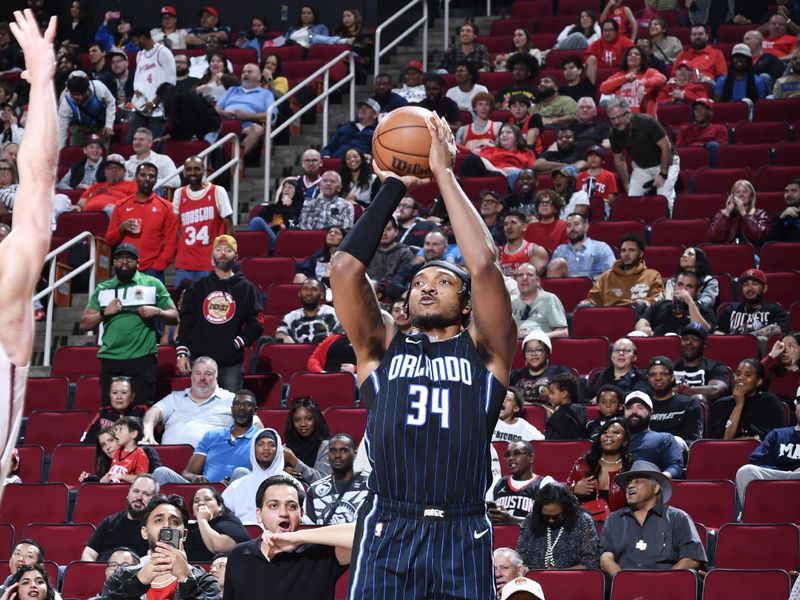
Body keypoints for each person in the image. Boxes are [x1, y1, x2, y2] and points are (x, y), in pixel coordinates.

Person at [329, 112, 516, 598]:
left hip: (463, 528)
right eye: (418, 283)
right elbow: (345, 269)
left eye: (443, 282)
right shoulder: (383, 345)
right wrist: (393, 187)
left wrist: (443, 174)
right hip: (390, 522)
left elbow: (485, 264)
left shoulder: (486, 351)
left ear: (468, 303)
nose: (427, 287)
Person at [222, 474, 352, 599]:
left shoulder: (320, 553)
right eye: (274, 506)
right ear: (259, 514)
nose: (283, 513)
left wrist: (298, 537)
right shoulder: (239, 555)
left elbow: (366, 534)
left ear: (301, 513)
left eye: (292, 506)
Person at [79, 244, 178, 406]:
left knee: (140, 412)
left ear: (138, 263)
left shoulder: (152, 284)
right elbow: (84, 324)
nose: (125, 261)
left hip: (142, 360)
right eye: (120, 257)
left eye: (130, 258)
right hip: (110, 359)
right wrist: (104, 313)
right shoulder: (102, 289)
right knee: (110, 413)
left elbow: (174, 316)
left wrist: (158, 312)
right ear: (114, 262)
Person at [176, 235, 263, 392]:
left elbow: (257, 322)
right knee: (200, 408)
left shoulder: (246, 288)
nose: (223, 253)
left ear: (236, 257)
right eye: (218, 250)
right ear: (211, 257)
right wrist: (182, 352)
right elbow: (186, 320)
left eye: (228, 250)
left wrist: (239, 341)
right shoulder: (197, 287)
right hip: (200, 360)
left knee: (229, 410)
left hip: (231, 363)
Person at [98, 494, 221, 599]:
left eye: (175, 522)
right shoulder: (121, 577)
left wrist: (186, 579)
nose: (166, 526)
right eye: (158, 520)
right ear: (144, 532)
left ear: (184, 534)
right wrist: (138, 583)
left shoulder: (205, 582)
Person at [599, 460, 706, 574]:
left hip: (667, 587)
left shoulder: (678, 518)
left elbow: (692, 558)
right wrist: (624, 581)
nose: (630, 485)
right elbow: (605, 558)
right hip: (624, 587)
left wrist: (660, 581)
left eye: (638, 481)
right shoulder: (614, 519)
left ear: (655, 488)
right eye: (629, 482)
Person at [153, 389, 260, 486]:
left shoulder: (260, 439)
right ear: (232, 410)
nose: (241, 408)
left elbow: (264, 473)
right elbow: (188, 473)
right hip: (204, 490)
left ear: (255, 411)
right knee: (160, 472)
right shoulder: (212, 435)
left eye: (247, 404)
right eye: (237, 404)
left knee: (241, 472)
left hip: (232, 492)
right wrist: (195, 478)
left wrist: (227, 483)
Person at [142, 356, 236, 447]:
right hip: (172, 458)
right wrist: (148, 430)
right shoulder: (175, 398)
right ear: (191, 376)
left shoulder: (230, 399)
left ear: (216, 376)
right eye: (198, 373)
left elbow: (249, 424)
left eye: (208, 374)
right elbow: (153, 412)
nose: (202, 378)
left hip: (215, 459)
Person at [107, 164, 179, 279]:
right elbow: (109, 240)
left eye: (151, 176)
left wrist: (157, 267)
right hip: (126, 269)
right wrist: (121, 228)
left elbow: (172, 243)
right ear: (135, 178)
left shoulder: (166, 207)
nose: (147, 179)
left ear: (156, 180)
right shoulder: (121, 205)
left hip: (153, 272)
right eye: (143, 175)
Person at [607, 98, 680, 208]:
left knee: (664, 198)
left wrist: (663, 174)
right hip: (642, 167)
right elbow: (619, 159)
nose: (616, 122)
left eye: (619, 117)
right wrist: (626, 184)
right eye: (612, 119)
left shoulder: (647, 122)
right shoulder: (614, 133)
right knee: (632, 198)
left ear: (629, 114)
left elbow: (666, 147)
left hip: (666, 163)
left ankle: (668, 223)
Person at [172, 157, 233, 287]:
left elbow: (229, 226)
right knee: (181, 304)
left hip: (209, 263)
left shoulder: (217, 191)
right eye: (188, 169)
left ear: (204, 171)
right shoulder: (179, 193)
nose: (192, 173)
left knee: (207, 305)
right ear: (184, 173)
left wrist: (223, 255)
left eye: (196, 169)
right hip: (184, 263)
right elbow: (176, 226)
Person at [517, 483, 599, 569]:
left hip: (572, 579)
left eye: (556, 516)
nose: (551, 520)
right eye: (546, 516)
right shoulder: (532, 519)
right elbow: (520, 558)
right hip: (533, 579)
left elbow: (591, 562)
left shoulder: (582, 520)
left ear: (567, 509)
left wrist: (558, 574)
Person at [734, 399, 800, 504]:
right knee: (745, 471)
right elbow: (757, 461)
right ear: (795, 409)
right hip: (779, 476)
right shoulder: (778, 434)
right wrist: (786, 474)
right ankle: (751, 515)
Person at [567, 417, 632, 522]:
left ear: (625, 441)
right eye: (604, 432)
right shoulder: (583, 464)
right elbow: (562, 497)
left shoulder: (632, 468)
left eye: (615, 432)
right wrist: (574, 489)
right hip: (586, 526)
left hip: (623, 526)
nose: (609, 435)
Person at [81, 474, 158, 561]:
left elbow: (150, 559)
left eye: (146, 494)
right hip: (102, 571)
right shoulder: (109, 522)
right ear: (128, 493)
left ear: (154, 500)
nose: (139, 497)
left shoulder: (153, 529)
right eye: (136, 491)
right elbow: (89, 553)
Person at [579, 234, 664, 313]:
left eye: (631, 250)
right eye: (623, 250)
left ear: (640, 253)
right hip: (608, 319)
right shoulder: (607, 276)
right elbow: (593, 299)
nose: (626, 254)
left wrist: (643, 303)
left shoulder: (652, 275)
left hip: (638, 319)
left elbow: (658, 301)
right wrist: (586, 303)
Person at [709, 358, 789, 439]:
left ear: (759, 381)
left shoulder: (769, 403)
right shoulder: (721, 405)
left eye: (747, 375)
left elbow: (779, 439)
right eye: (738, 374)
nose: (741, 378)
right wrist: (739, 404)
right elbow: (724, 440)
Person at [221, 428, 285, 525]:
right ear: (253, 449)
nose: (266, 448)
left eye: (271, 444)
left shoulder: (291, 483)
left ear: (278, 450)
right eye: (261, 444)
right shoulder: (237, 486)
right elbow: (222, 516)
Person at [304, 433, 370, 524]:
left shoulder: (370, 485)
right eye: (333, 451)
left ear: (355, 454)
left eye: (344, 451)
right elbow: (309, 527)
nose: (337, 455)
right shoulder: (315, 490)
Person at [126, 27, 176, 142]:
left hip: (157, 108)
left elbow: (170, 83)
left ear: (142, 38)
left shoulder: (163, 53)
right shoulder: (140, 54)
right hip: (140, 106)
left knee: (153, 144)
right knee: (130, 141)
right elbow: (139, 77)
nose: (134, 44)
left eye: (135, 41)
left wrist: (154, 103)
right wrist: (137, 90)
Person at [215, 63, 274, 157]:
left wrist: (249, 115)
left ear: (259, 77)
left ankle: (234, 159)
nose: (245, 74)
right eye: (243, 72)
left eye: (249, 72)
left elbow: (272, 115)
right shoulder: (231, 90)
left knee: (258, 129)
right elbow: (216, 109)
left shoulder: (266, 94)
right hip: (224, 123)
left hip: (245, 127)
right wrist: (224, 112)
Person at [487, 441, 553, 524]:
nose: (510, 458)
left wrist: (512, 520)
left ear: (531, 457)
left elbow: (550, 521)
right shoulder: (497, 483)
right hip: (500, 535)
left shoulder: (545, 483)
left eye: (517, 453)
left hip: (530, 536)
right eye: (507, 455)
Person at [634, 270, 715, 336]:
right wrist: (643, 329)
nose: (684, 289)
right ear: (674, 286)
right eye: (680, 284)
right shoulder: (659, 305)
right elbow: (641, 322)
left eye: (689, 286)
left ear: (697, 291)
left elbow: (702, 330)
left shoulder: (704, 310)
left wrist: (690, 303)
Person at [624, 391, 684, 479]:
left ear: (651, 413)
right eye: (629, 408)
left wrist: (659, 479)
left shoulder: (664, 439)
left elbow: (676, 467)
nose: (634, 412)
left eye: (640, 407)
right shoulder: (617, 439)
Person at [716, 269, 789, 341]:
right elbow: (718, 333)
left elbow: (776, 329)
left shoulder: (774, 310)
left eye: (755, 284)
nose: (750, 288)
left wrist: (745, 339)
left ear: (765, 288)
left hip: (763, 352)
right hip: (734, 350)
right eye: (746, 284)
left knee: (762, 340)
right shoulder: (730, 310)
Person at [645, 357, 704, 445]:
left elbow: (693, 441)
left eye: (663, 374)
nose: (658, 378)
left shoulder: (689, 404)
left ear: (672, 377)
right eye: (653, 374)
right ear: (648, 378)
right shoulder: (643, 405)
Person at [185, 486, 249, 563]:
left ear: (220, 505)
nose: (201, 503)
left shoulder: (230, 522)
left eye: (207, 499)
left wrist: (202, 519)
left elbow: (219, 548)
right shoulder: (190, 529)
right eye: (196, 501)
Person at [673, 324, 731, 406]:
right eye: (685, 339)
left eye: (695, 339)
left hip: (703, 414)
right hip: (671, 413)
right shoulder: (670, 367)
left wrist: (682, 390)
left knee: (698, 398)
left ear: (704, 344)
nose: (689, 342)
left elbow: (716, 390)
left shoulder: (716, 367)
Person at [81, 377, 149, 445]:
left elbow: (148, 439)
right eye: (114, 393)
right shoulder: (103, 412)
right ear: (110, 395)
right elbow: (86, 442)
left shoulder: (141, 411)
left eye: (124, 392)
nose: (119, 397)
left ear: (132, 396)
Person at [599, 46, 665, 116]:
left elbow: (662, 79)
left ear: (642, 59)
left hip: (646, 120)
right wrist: (625, 78)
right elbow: (603, 88)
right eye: (630, 54)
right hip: (624, 120)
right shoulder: (619, 75)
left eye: (637, 54)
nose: (633, 55)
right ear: (626, 59)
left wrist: (643, 83)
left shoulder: (650, 72)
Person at [57, 72, 115, 150]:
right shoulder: (66, 104)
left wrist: (109, 125)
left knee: (102, 151)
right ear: (70, 92)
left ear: (88, 88)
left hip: (100, 125)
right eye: (76, 95)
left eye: (83, 93)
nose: (80, 98)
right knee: (75, 152)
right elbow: (62, 131)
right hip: (79, 128)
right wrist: (60, 153)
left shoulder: (98, 88)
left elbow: (111, 102)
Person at [548, 213, 615, 279]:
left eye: (576, 224)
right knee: (558, 263)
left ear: (586, 227)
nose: (572, 229)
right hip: (565, 288)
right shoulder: (561, 250)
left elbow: (611, 273)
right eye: (568, 225)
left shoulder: (601, 248)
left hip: (594, 287)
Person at [282, 397, 332, 484]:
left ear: (316, 419)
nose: (303, 424)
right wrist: (283, 472)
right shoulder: (287, 447)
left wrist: (295, 462)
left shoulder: (326, 446)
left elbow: (323, 480)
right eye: (297, 420)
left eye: (308, 419)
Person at [510, 266, 568, 340]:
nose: (524, 278)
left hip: (540, 345)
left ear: (538, 281)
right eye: (520, 275)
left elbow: (563, 332)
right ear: (516, 281)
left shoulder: (549, 299)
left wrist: (536, 336)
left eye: (530, 275)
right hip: (515, 346)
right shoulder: (509, 301)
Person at [275, 279, 339, 344]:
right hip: (298, 353)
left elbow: (340, 337)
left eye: (314, 289)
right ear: (299, 294)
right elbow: (280, 334)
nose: (308, 293)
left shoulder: (333, 314)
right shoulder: (291, 316)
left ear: (322, 295)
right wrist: (286, 338)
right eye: (305, 289)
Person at [709, 179, 770, 246]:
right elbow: (715, 237)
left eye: (745, 192)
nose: (741, 195)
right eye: (738, 192)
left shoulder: (760, 213)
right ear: (732, 196)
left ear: (751, 197)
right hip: (727, 251)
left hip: (752, 253)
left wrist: (744, 213)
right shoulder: (722, 213)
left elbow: (760, 237)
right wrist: (727, 213)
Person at [663, 246, 718, 311]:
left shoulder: (709, 281)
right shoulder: (673, 281)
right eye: (683, 254)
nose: (684, 256)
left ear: (699, 259)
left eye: (690, 254)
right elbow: (667, 302)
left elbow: (708, 299)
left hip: (700, 314)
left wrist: (693, 306)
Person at [584, 19, 634, 85]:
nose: (607, 33)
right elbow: (587, 60)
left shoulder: (626, 43)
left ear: (616, 31)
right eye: (605, 30)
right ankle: (591, 89)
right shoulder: (595, 44)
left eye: (610, 30)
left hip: (622, 75)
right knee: (591, 58)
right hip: (599, 77)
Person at [500, 213, 549, 277]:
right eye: (506, 224)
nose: (509, 227)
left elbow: (530, 278)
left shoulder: (535, 251)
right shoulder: (498, 252)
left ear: (524, 227)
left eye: (513, 223)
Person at [102, 416, 149, 483]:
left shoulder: (140, 455)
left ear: (133, 434)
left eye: (120, 429)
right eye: (116, 430)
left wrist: (121, 476)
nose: (116, 434)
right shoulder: (118, 451)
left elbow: (142, 478)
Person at [575, 146, 618, 217]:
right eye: (590, 155)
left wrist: (601, 201)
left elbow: (611, 200)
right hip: (583, 206)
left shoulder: (609, 175)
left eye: (597, 155)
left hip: (602, 206)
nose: (593, 158)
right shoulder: (579, 176)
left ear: (603, 160)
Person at [524, 190, 567, 254]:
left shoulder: (563, 226)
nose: (544, 205)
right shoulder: (530, 227)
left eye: (549, 202)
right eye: (541, 202)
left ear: (556, 209)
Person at [545, 373, 586, 440]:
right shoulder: (582, 411)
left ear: (564, 394)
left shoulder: (558, 416)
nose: (550, 396)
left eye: (552, 393)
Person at [762, 334, 800, 405]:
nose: (785, 350)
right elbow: (754, 374)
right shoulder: (772, 369)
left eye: (791, 346)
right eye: (782, 346)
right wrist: (771, 355)